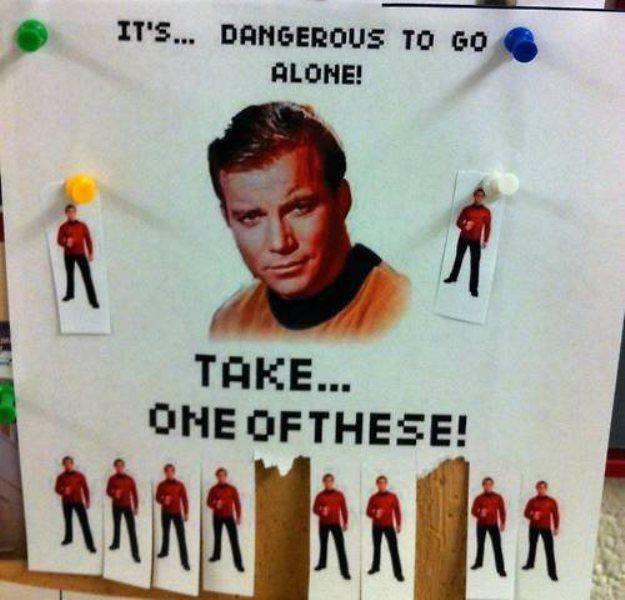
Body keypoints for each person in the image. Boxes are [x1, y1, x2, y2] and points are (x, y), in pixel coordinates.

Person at [207, 102, 409, 341]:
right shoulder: (230, 323)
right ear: (228, 218)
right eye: (250, 217)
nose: (280, 243)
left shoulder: (401, 311)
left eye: (299, 208)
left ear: (342, 201)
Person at [444, 187, 491, 297]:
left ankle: (473, 288)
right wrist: (465, 225)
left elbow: (488, 227)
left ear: (483, 198)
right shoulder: (467, 209)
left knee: (475, 263)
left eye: (481, 196)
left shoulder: (486, 212)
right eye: (477, 195)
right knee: (458, 258)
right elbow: (458, 222)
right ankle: (453, 277)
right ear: (474, 196)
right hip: (464, 238)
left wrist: (485, 240)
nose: (479, 198)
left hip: (476, 240)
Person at [56, 204, 99, 308]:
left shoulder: (82, 226)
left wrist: (90, 252)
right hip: (68, 255)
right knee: (69, 275)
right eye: (69, 212)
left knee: (87, 277)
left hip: (80, 254)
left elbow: (88, 239)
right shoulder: (63, 227)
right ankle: (70, 294)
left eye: (72, 212)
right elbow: (59, 240)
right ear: (66, 214)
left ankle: (93, 300)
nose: (71, 214)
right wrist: (66, 242)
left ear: (75, 213)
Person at [312, 473, 351, 580]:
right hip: (323, 524)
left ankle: (345, 572)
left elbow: (344, 509)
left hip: (335, 524)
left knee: (340, 547)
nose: (328, 483)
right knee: (323, 545)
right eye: (326, 481)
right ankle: (322, 564)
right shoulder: (320, 496)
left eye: (330, 481)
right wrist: (321, 511)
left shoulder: (339, 495)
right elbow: (315, 508)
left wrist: (345, 522)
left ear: (333, 482)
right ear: (323, 483)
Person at [54, 456, 96, 552]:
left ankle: (90, 545)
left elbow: (85, 488)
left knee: (84, 523)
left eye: (69, 463)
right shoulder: (60, 477)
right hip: (66, 502)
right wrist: (63, 490)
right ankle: (68, 539)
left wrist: (87, 501)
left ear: (72, 464)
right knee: (68, 521)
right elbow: (57, 488)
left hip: (78, 502)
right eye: (65, 463)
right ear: (63, 465)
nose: (67, 465)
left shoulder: (79, 476)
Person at [366, 475, 403, 582]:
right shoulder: (373, 498)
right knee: (376, 548)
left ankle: (398, 573)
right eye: (379, 483)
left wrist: (398, 524)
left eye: (383, 482)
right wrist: (375, 513)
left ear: (386, 484)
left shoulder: (393, 497)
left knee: (393, 549)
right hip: (376, 526)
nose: (381, 484)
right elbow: (368, 511)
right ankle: (375, 567)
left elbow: (397, 511)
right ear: (377, 484)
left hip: (389, 526)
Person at [206, 467, 244, 572]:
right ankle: (216, 556)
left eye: (223, 475)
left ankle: (238, 564)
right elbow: (208, 502)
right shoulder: (213, 489)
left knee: (234, 540)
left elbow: (237, 503)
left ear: (226, 476)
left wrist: (238, 516)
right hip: (217, 517)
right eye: (219, 475)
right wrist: (215, 504)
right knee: (217, 537)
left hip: (229, 517)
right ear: (217, 477)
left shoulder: (232, 489)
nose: (221, 477)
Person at [522, 480, 559, 581]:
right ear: (536, 488)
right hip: (533, 527)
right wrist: (532, 515)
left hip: (546, 528)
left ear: (546, 489)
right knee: (532, 547)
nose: (541, 489)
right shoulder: (532, 501)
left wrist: (556, 527)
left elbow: (555, 515)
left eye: (543, 487)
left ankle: (552, 573)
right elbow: (526, 513)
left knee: (549, 550)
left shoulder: (551, 501)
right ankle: (530, 564)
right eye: (539, 487)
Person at [156, 464, 190, 571]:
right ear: (165, 473)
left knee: (181, 537)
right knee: (165, 533)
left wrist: (186, 512)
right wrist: (163, 500)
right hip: (165, 513)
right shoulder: (161, 485)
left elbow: (184, 499)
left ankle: (185, 561)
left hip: (177, 513)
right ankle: (164, 551)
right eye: (167, 471)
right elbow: (157, 497)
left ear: (174, 472)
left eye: (171, 471)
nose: (169, 473)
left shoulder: (180, 485)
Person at [470, 477, 506, 577]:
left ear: (492, 485)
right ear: (483, 486)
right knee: (480, 544)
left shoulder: (498, 497)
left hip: (493, 524)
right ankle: (478, 563)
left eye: (490, 484)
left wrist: (503, 522)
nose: (488, 486)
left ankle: (501, 569)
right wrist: (479, 513)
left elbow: (502, 510)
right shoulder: (479, 498)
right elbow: (473, 511)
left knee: (497, 546)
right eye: (486, 484)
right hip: (481, 524)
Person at [106, 458, 140, 563]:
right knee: (116, 526)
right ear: (115, 467)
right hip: (116, 506)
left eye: (121, 465)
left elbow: (134, 493)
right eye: (117, 466)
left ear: (123, 466)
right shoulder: (112, 479)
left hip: (127, 506)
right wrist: (114, 493)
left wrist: (136, 506)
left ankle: (135, 554)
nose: (119, 467)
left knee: (131, 529)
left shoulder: (129, 479)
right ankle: (116, 544)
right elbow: (108, 491)